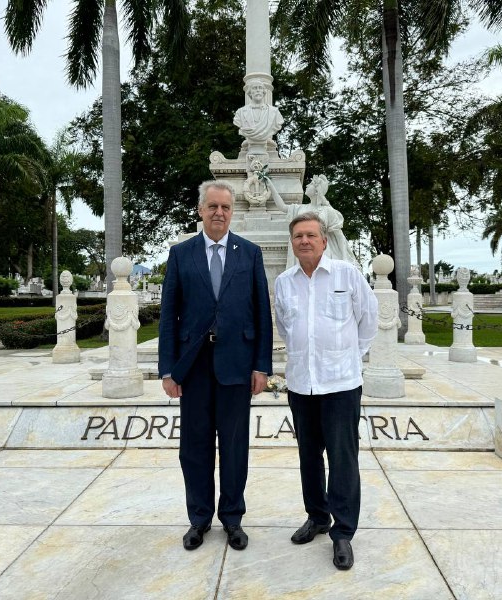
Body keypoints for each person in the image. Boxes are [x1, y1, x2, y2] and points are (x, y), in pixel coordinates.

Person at [159, 180, 273, 552]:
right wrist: (168, 369)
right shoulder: (180, 254)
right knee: (194, 447)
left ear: (232, 212)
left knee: (235, 445)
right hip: (193, 367)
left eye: (225, 207)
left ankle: (233, 519)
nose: (219, 213)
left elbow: (261, 312)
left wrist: (262, 365)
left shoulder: (250, 253)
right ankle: (199, 519)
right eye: (212, 207)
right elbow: (168, 317)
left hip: (237, 366)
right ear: (200, 210)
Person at [274, 212, 378, 571]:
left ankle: (343, 532)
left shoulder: (347, 274)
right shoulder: (284, 282)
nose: (304, 240)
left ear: (323, 240)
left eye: (310, 235)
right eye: (298, 235)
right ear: (293, 242)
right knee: (309, 456)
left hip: (340, 384)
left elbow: (369, 319)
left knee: (343, 458)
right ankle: (318, 517)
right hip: (302, 384)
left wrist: (349, 355)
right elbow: (285, 329)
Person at [264, 174, 358, 268]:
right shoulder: (299, 208)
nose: (307, 185)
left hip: (322, 252)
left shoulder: (327, 211)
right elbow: (282, 207)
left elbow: (339, 236)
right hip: (302, 250)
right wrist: (271, 186)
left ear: (317, 191)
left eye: (311, 184)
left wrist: (345, 258)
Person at [233, 78, 283, 148]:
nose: (258, 90)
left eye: (260, 88)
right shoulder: (240, 112)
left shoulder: (274, 112)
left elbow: (277, 125)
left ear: (263, 92)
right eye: (254, 88)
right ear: (250, 92)